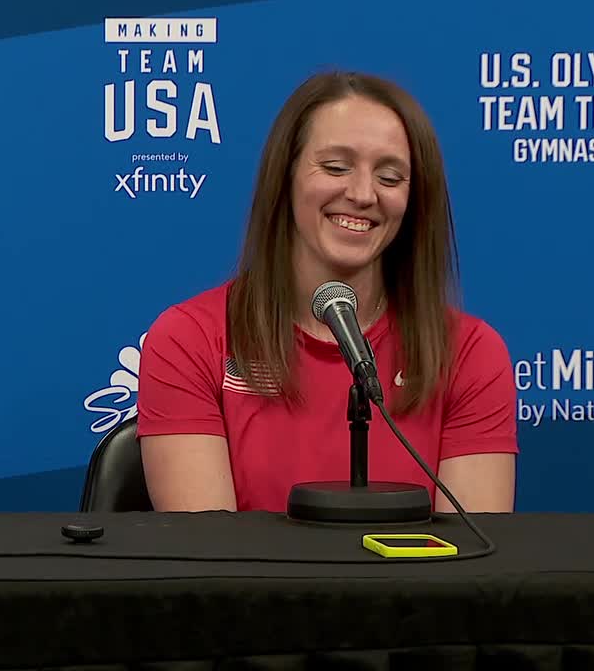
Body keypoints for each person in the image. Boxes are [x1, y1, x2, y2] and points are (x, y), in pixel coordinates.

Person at [136, 71, 517, 513]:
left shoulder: (470, 352)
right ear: (286, 176)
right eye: (336, 167)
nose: (361, 193)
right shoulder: (189, 339)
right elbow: (210, 563)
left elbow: (470, 570)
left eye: (390, 178)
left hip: (415, 586)